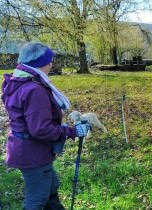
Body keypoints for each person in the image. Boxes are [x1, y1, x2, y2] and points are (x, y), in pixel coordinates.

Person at [1, 42, 91, 209]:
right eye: (50, 61)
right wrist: (73, 131)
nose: (51, 64)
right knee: (37, 198)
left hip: (26, 150)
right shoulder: (34, 89)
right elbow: (40, 129)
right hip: (32, 153)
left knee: (50, 187)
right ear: (41, 63)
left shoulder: (18, 82)